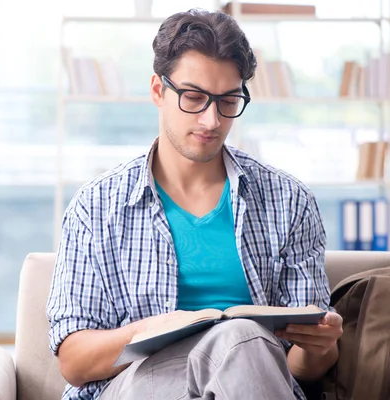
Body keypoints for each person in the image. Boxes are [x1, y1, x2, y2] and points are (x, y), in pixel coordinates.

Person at [46, 8, 343, 400]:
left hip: (252, 379)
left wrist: (318, 347)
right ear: (158, 91)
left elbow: (302, 370)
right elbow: (74, 362)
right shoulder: (96, 206)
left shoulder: (289, 201)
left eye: (228, 101)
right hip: (139, 383)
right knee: (239, 338)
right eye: (194, 97)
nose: (211, 120)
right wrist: (145, 332)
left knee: (242, 340)